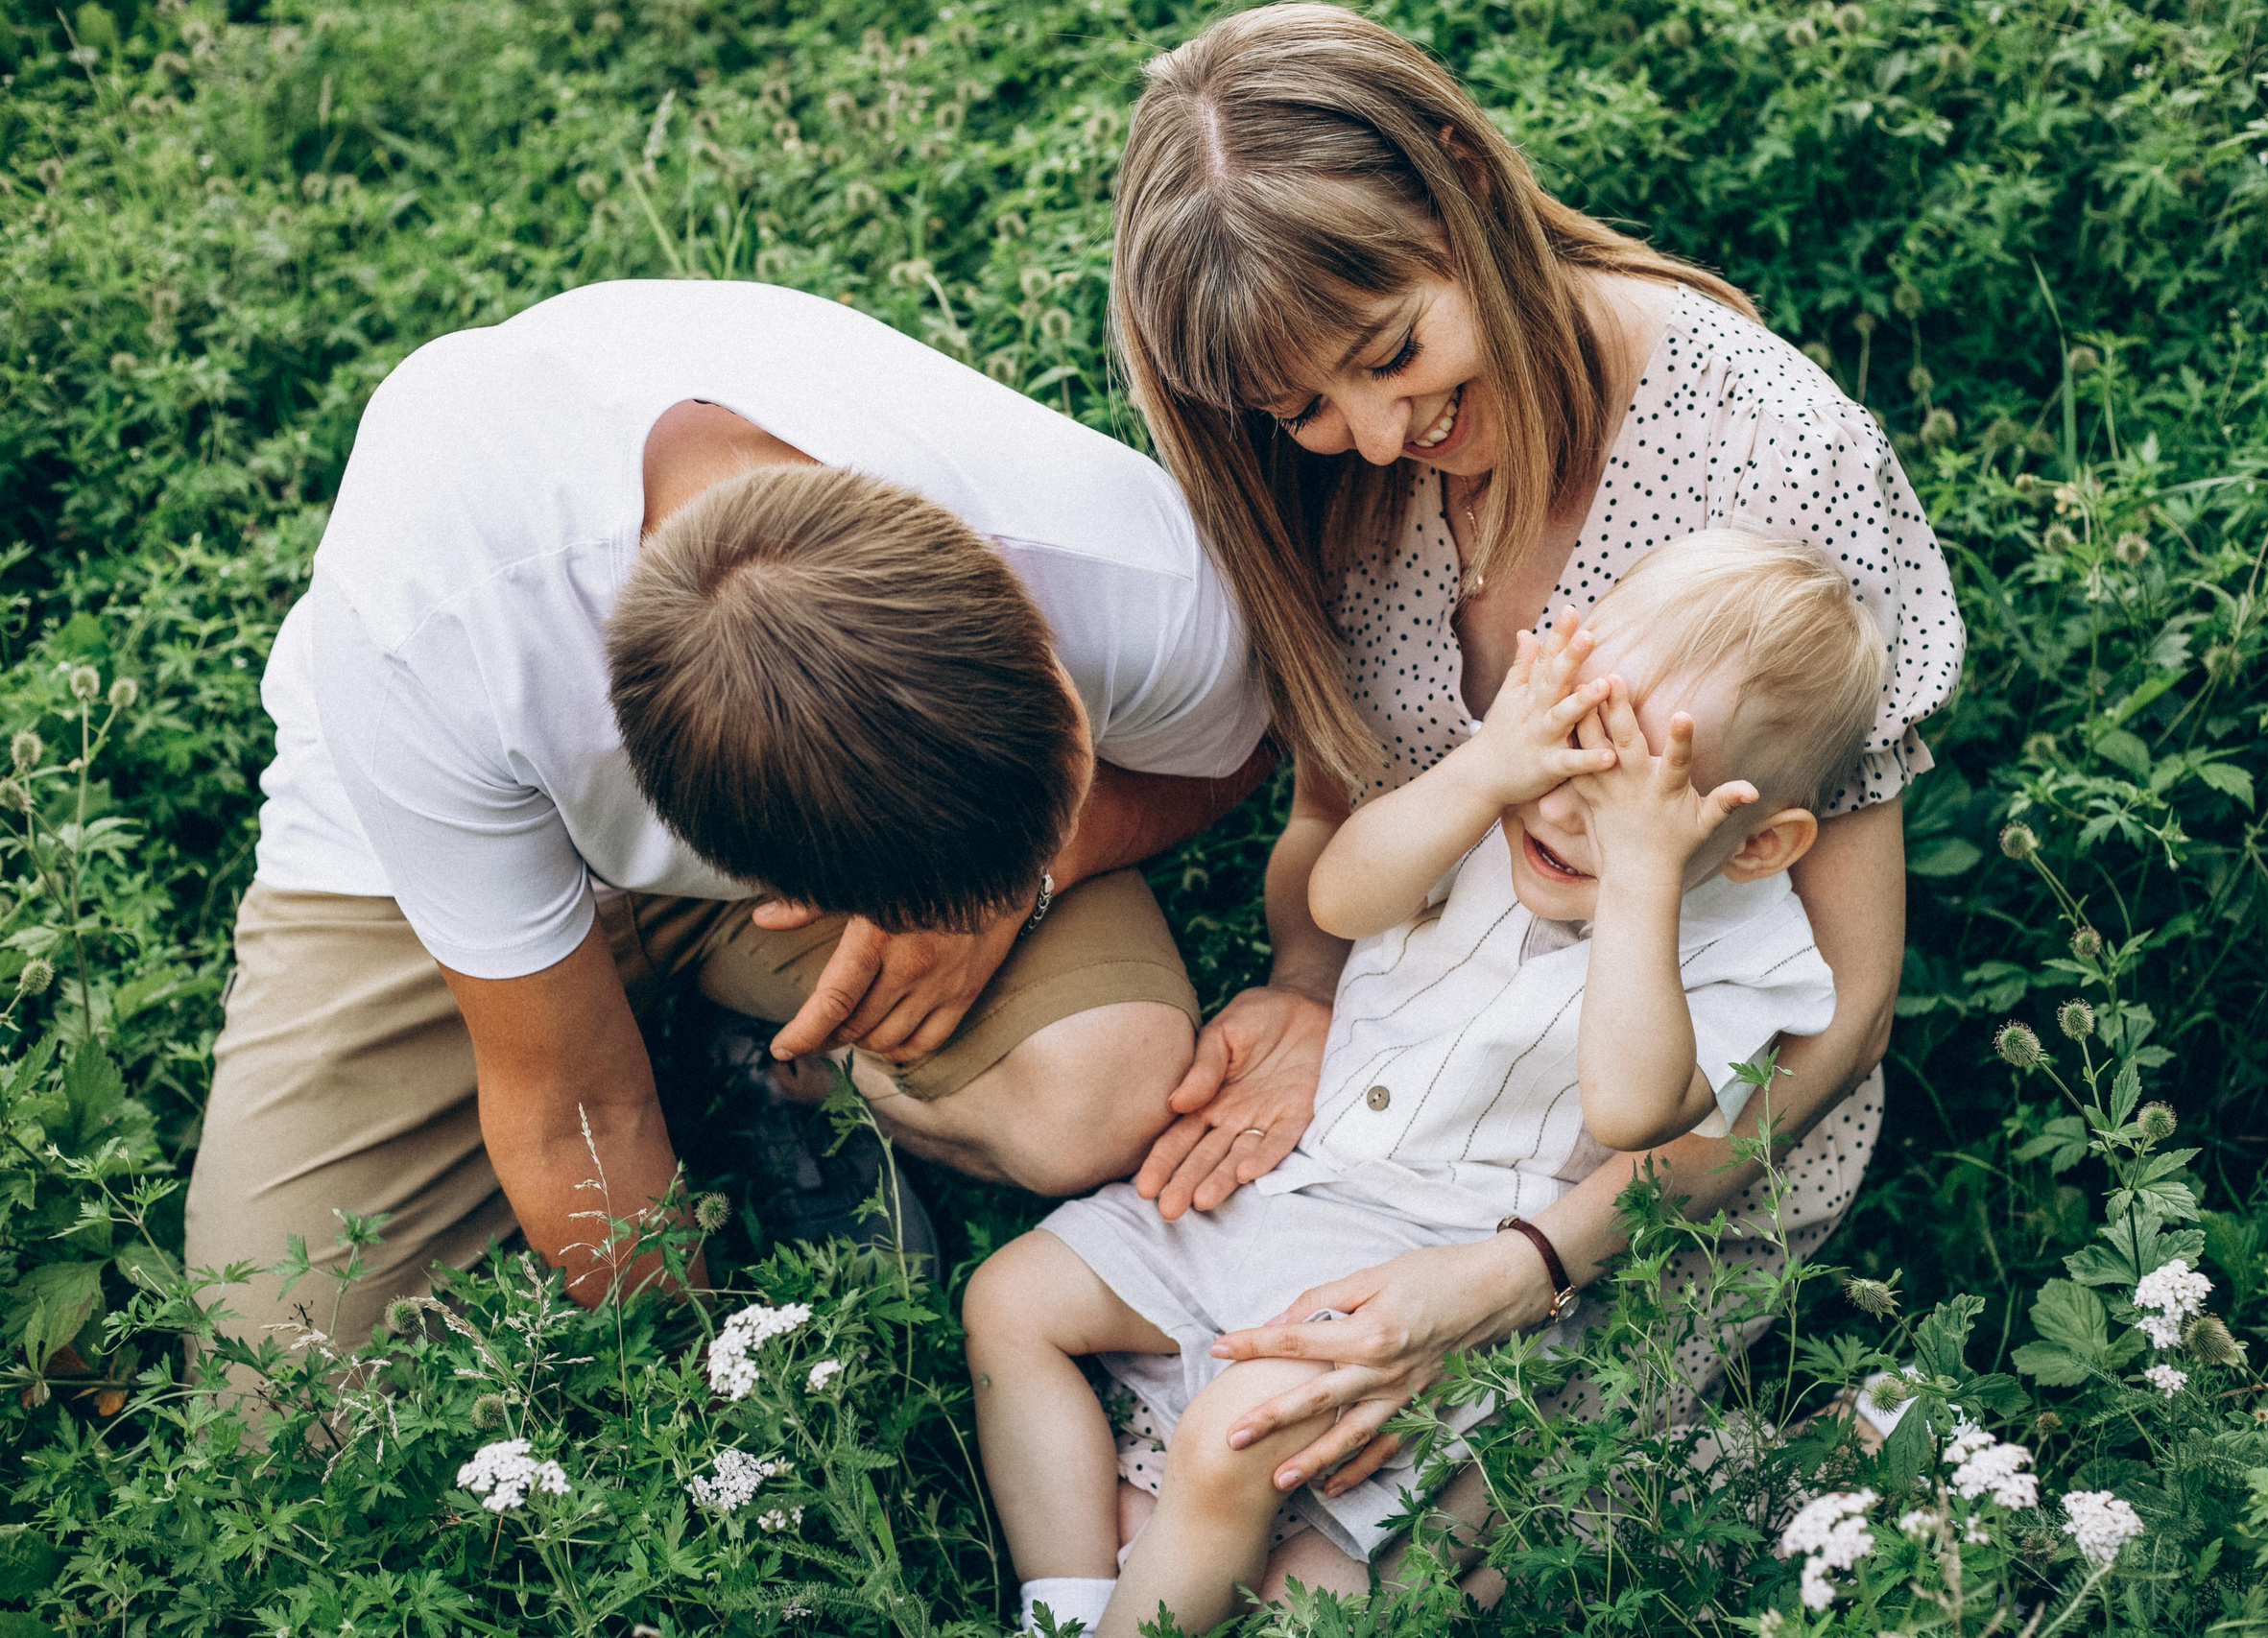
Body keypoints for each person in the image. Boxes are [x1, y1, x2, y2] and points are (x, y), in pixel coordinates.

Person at [1100, 2, 1965, 1592]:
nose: (1374, 436)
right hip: (1417, 1076)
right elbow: (1328, 822)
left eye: (1392, 356)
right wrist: (1305, 989)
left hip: (1671, 1156)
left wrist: (1522, 1267)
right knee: (1181, 1467)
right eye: (1299, 408)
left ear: (1468, 194)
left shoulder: (1773, 461)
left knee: (1357, 1553)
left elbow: (1839, 1010)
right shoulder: (1335, 475)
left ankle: (1739, 1438)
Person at [186, 278, 1272, 1356]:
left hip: (771, 805)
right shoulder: (430, 629)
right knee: (280, 1370)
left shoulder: (1100, 549)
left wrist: (1021, 879)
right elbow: (575, 1104)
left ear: (1015, 601)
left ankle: (762, 1060)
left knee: (1103, 1086)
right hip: (411, 867)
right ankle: (730, 1041)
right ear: (779, 889)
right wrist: (721, 1404)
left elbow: (1240, 746)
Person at [965, 534, 1887, 1633]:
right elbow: (1343, 903)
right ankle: (1064, 1607)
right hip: (1290, 1195)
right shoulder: (1491, 796)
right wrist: (1489, 766)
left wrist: (1640, 881)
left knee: (1232, 1453)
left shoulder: (1749, 952)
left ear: (1754, 844)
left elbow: (1632, 1110)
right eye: (1570, 751)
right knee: (1010, 1301)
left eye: (1624, 803)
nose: (1558, 813)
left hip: (1442, 1278)